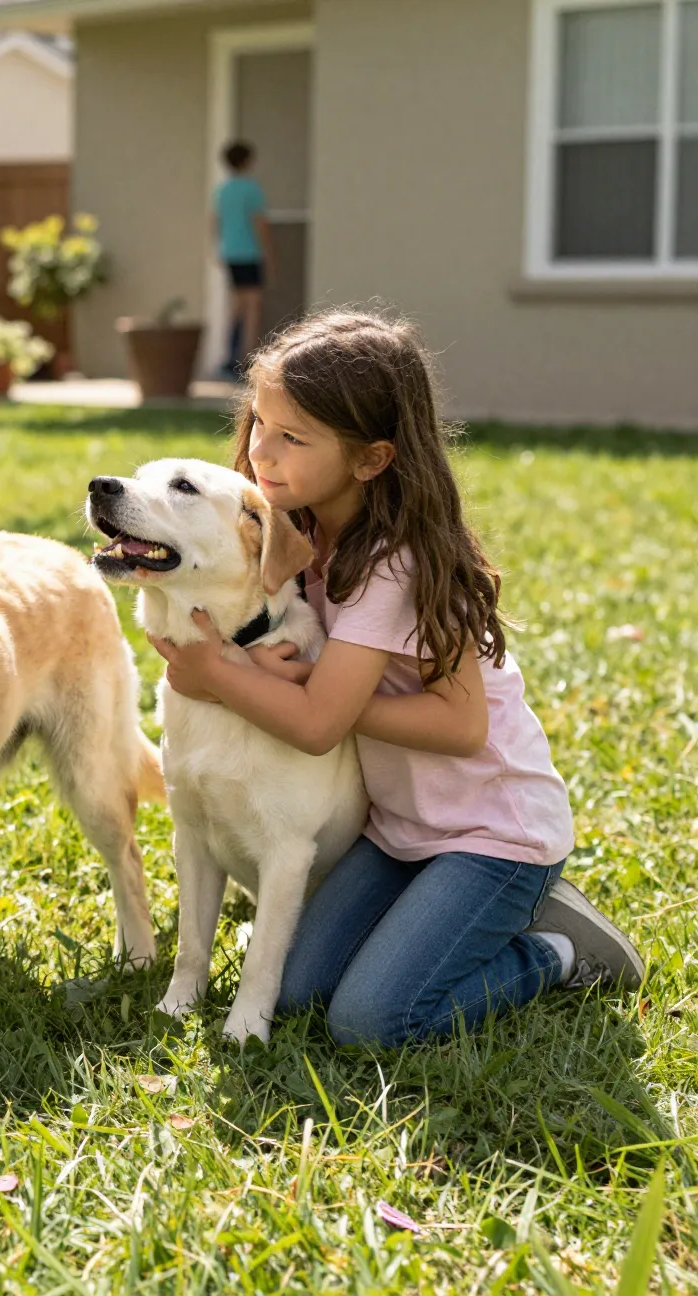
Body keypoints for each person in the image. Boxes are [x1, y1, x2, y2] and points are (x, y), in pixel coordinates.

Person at [148, 308, 644, 1048]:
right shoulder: (303, 532)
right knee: (296, 991)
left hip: (490, 837)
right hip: (396, 833)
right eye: (260, 425)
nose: (261, 455)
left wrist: (245, 677)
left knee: (373, 1020)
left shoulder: (393, 564)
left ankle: (554, 950)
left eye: (292, 438)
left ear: (371, 459)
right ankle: (440, 918)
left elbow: (424, 725)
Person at [213, 141, 275, 379]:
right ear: (247, 161)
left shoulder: (221, 190)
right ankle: (247, 361)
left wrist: (220, 249)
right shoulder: (251, 190)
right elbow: (261, 226)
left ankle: (230, 357)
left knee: (238, 305)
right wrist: (270, 257)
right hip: (249, 253)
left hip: (230, 254)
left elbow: (215, 222)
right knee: (253, 306)